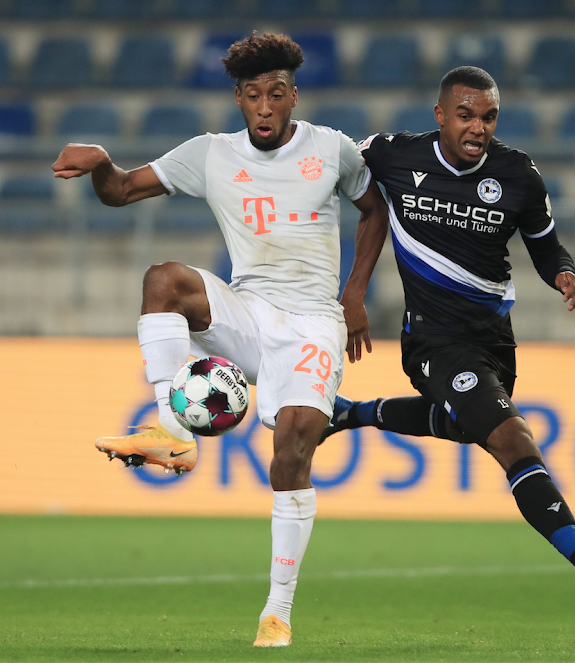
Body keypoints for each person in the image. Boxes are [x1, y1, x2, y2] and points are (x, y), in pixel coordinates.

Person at [52, 32, 388, 647]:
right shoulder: (211, 154)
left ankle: (277, 611)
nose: (266, 107)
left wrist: (355, 293)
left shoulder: (331, 149)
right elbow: (122, 190)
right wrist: (102, 161)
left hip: (315, 322)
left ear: (293, 96)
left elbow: (376, 209)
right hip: (250, 312)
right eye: (254, 95)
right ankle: (171, 433)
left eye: (277, 94)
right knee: (164, 281)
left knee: (291, 451)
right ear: (238, 98)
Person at [324, 66, 575, 611]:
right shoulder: (393, 154)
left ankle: (351, 414)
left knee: (467, 427)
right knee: (512, 440)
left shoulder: (518, 175)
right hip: (432, 341)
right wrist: (348, 288)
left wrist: (564, 273)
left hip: (494, 340)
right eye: (465, 115)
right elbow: (325, 165)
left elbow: (545, 245)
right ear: (440, 115)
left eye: (488, 117)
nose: (478, 128)